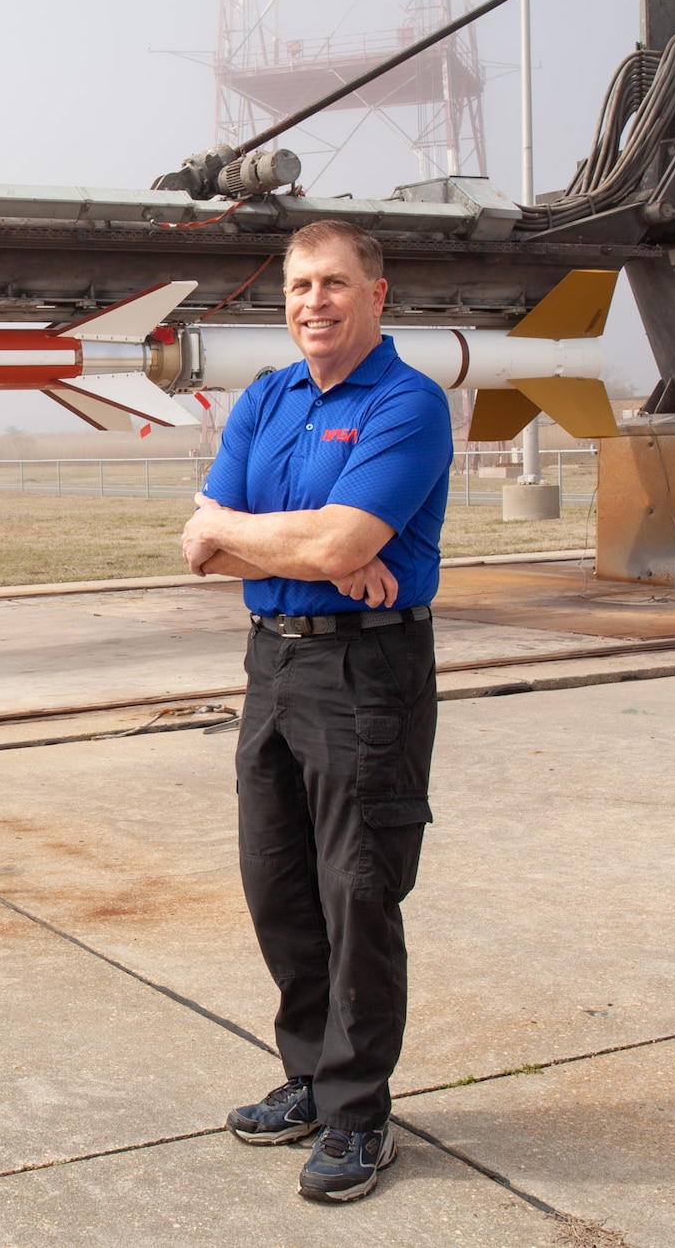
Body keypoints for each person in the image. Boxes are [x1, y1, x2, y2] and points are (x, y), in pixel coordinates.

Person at [180, 218, 450, 1204]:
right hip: (273, 667)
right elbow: (194, 547)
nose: (313, 303)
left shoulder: (406, 404)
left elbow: (329, 546)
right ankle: (305, 1074)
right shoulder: (266, 397)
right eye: (298, 286)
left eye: (333, 283)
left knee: (357, 890)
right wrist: (297, 542)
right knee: (279, 886)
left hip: (366, 676)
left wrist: (256, 535)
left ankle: (356, 1115)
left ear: (376, 294)